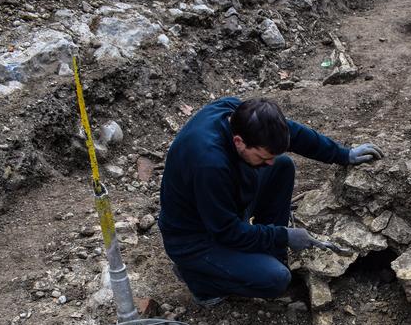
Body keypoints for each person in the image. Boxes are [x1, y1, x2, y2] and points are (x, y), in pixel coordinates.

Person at [158, 97, 383, 305]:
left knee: (282, 167)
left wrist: (343, 154)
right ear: (239, 142)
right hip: (195, 239)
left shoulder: (236, 114)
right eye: (263, 157)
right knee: (275, 280)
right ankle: (199, 278)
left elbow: (294, 134)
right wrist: (283, 236)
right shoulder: (210, 164)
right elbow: (227, 232)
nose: (269, 162)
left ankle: (270, 256)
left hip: (220, 207)